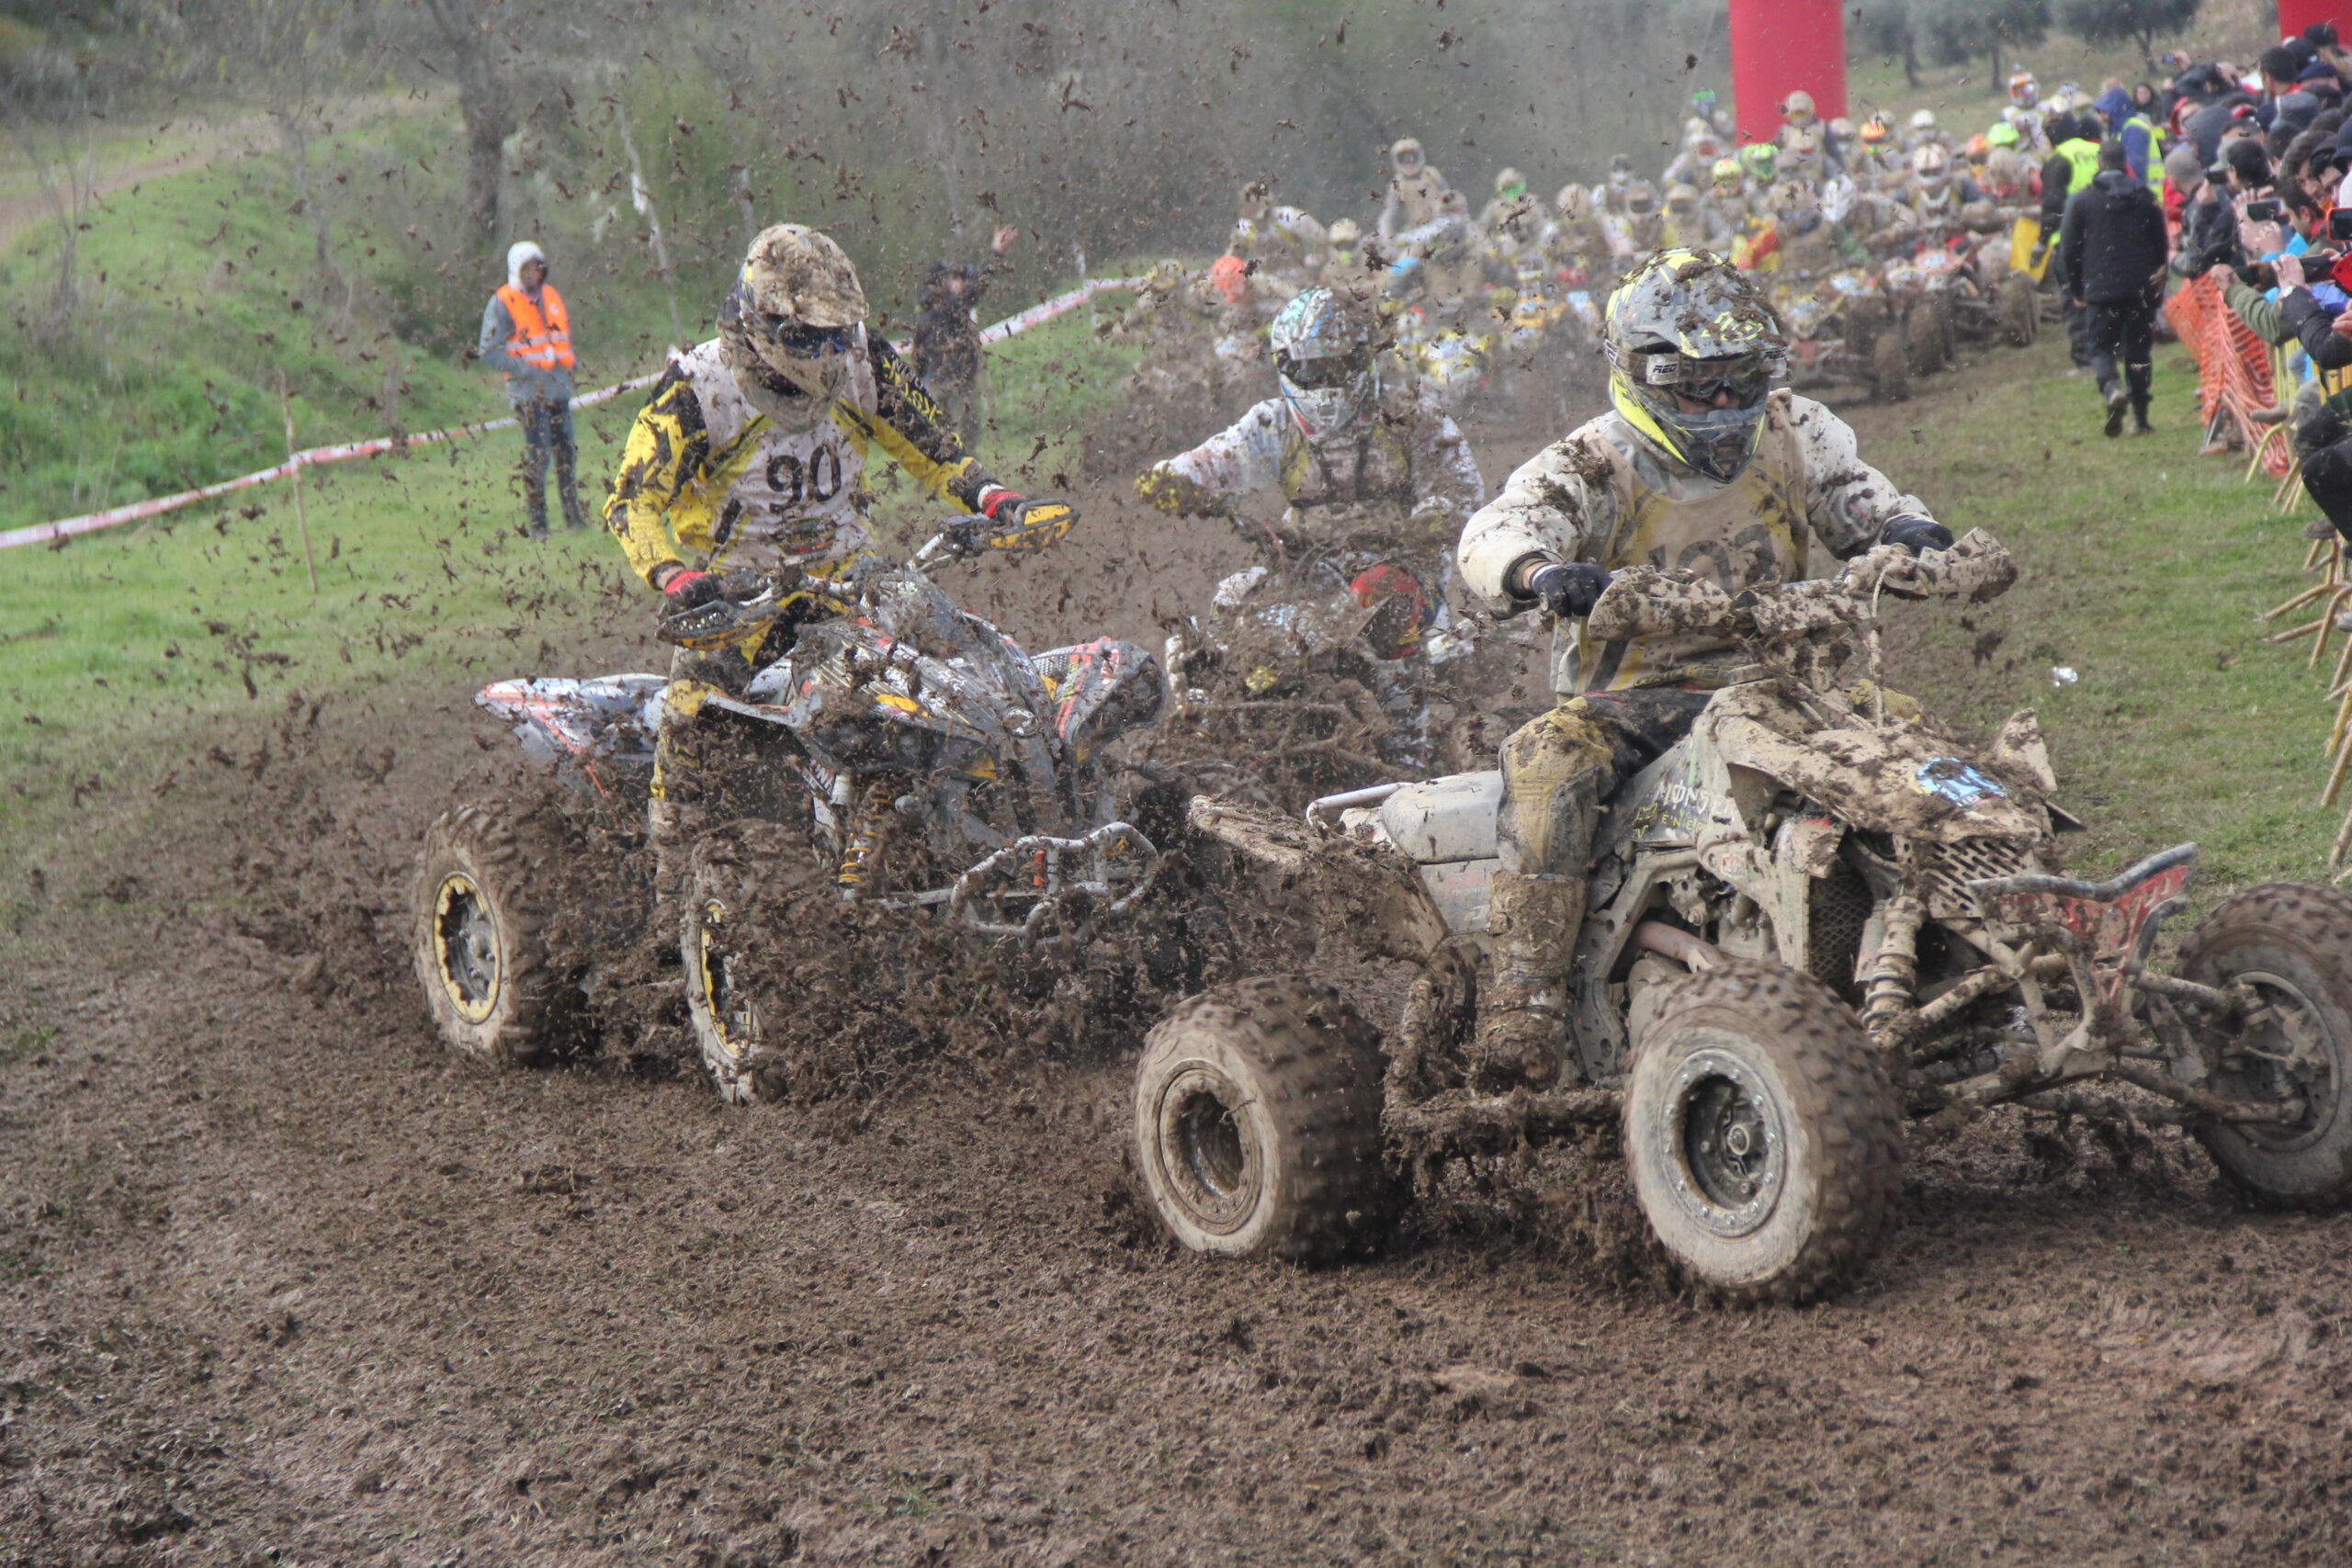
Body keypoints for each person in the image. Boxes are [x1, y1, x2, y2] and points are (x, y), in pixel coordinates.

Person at [1453, 250, 1950, 1089]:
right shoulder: (1591, 463)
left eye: (1739, 379)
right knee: (1546, 762)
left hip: (1786, 686)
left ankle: (1956, 926)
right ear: (1639, 375)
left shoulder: (1797, 430)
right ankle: (1525, 998)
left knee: (1914, 734)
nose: (1723, 404)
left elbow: (1859, 498)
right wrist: (1538, 571)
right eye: (1696, 386)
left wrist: (1904, 530)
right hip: (1637, 701)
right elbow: (1493, 529)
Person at [604, 223, 1078, 892]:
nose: (829, 351)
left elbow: (933, 446)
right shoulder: (699, 386)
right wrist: (675, 575)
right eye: (813, 338)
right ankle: (671, 893)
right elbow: (630, 500)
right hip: (741, 602)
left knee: (970, 659)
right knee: (688, 743)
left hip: (857, 579)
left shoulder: (863, 357)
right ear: (764, 324)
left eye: (836, 334)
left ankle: (1022, 826)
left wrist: (997, 498)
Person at [1134, 285, 1487, 660]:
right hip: (1305, 571)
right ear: (1285, 367)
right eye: (1308, 370)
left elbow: (1460, 490)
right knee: (1235, 595)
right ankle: (1214, 700)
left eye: (1333, 368)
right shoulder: (1274, 423)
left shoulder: (1412, 416)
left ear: (1361, 360)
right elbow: (1216, 460)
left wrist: (1426, 523)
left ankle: (1408, 713)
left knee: (1376, 592)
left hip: (1406, 572)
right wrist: (1175, 480)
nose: (1322, 384)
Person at [2058, 140, 2168, 437]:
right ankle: (2141, 418)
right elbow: (2162, 245)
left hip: (2100, 289)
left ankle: (2111, 389)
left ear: (2099, 163)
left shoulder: (2082, 201)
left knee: (2101, 347)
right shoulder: (2145, 199)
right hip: (2140, 289)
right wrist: (2157, 283)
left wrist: (2076, 287)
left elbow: (2068, 249)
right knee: (2138, 351)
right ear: (2125, 162)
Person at [477, 240, 584, 537]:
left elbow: (562, 338)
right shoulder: (502, 302)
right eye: (528, 267)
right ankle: (538, 526)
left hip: (558, 390)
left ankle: (574, 519)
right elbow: (488, 351)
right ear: (517, 270)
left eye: (537, 266)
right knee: (539, 458)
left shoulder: (551, 296)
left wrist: (567, 365)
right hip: (528, 395)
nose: (534, 273)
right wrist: (526, 368)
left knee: (566, 454)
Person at [910, 224, 1017, 447]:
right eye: (950, 278)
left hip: (935, 385)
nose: (955, 282)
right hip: (958, 382)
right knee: (966, 440)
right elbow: (978, 286)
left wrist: (921, 384)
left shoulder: (922, 315)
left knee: (940, 441)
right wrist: (996, 252)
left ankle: (937, 481)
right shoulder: (951, 306)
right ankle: (970, 480)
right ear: (942, 282)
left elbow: (917, 357)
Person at [1379, 138, 1450, 244]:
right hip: (1416, 233)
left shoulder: (1432, 175)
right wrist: (1388, 237)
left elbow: (1449, 198)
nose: (1409, 164)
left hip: (1440, 226)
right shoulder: (1397, 184)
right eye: (1403, 159)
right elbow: (1389, 214)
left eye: (1412, 158)